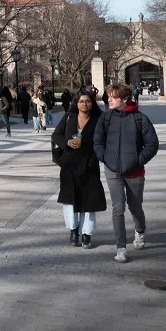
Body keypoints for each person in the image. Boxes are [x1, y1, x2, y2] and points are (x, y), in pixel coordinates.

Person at [93, 83, 160, 263]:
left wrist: (138, 160)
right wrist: (104, 157)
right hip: (112, 169)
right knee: (118, 207)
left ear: (124, 99)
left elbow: (152, 144)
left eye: (113, 97)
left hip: (135, 171)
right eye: (108, 96)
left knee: (135, 206)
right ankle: (121, 247)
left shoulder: (140, 119)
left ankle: (140, 231)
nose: (109, 99)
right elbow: (97, 140)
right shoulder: (105, 118)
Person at [52, 91, 107, 248]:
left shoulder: (99, 119)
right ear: (76, 103)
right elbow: (55, 136)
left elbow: (104, 140)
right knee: (70, 200)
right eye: (81, 101)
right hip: (69, 166)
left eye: (88, 101)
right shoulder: (69, 117)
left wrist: (87, 145)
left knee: (88, 200)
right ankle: (73, 231)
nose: (85, 104)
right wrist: (68, 143)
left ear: (92, 103)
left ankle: (86, 234)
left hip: (89, 165)